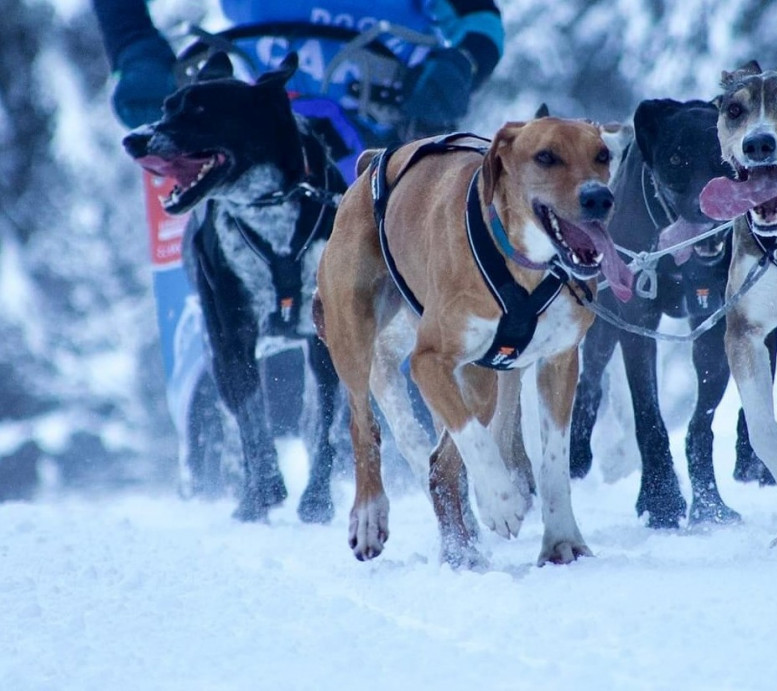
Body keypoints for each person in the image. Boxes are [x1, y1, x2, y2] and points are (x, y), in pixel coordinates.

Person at [92, 0, 502, 493]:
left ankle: (436, 431)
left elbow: (481, 20)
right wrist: (134, 52)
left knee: (406, 260)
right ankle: (221, 434)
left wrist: (461, 65)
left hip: (385, 117)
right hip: (246, 109)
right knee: (209, 238)